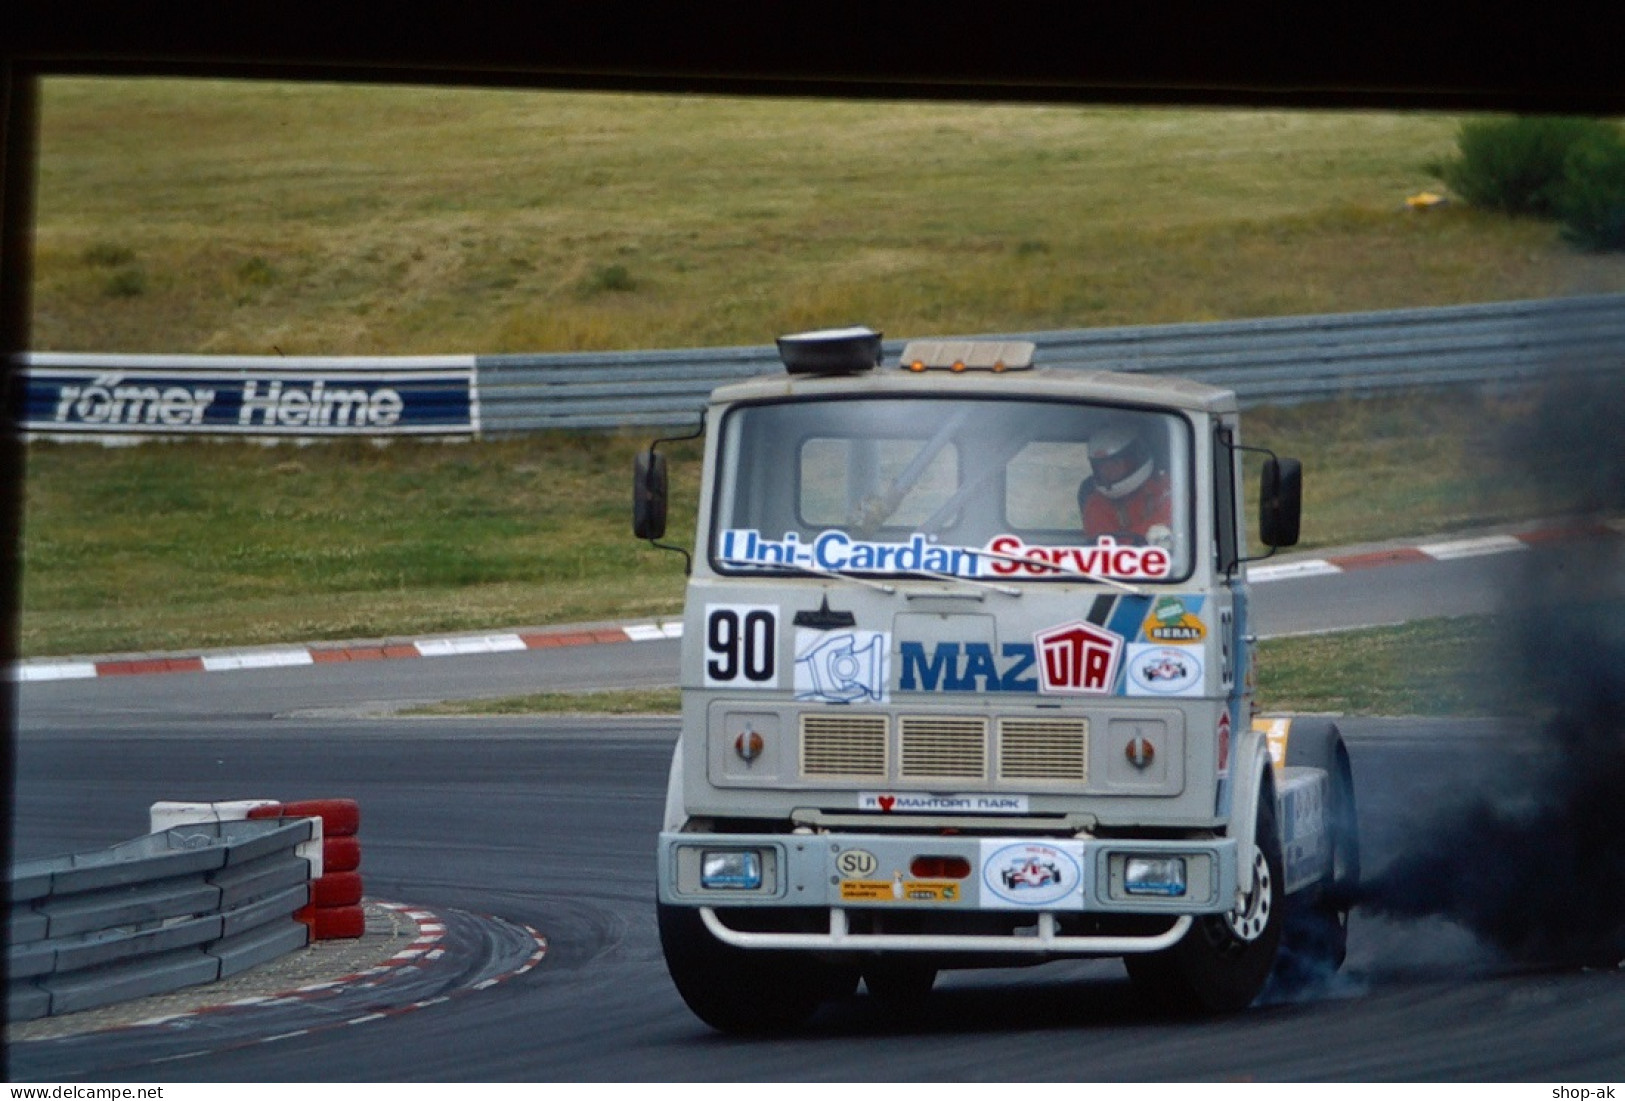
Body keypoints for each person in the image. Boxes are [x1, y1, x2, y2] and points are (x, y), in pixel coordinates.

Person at [1077, 421, 1173, 548]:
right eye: (1101, 466)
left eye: (1115, 463)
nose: (1108, 471)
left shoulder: (1166, 486)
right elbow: (1105, 549)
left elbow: (1175, 524)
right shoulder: (1095, 505)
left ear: (1135, 459)